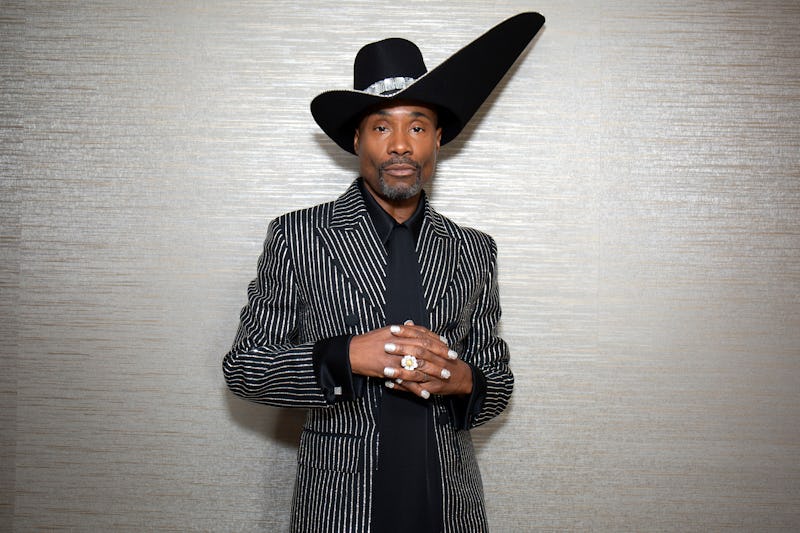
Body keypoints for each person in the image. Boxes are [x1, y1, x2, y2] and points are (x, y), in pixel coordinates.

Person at [223, 12, 545, 533]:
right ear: (357, 141)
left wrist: (461, 379)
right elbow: (245, 368)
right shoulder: (298, 236)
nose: (400, 144)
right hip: (341, 507)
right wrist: (347, 355)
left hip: (448, 507)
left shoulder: (474, 250)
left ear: (437, 139)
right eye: (382, 127)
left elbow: (499, 382)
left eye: (417, 126)